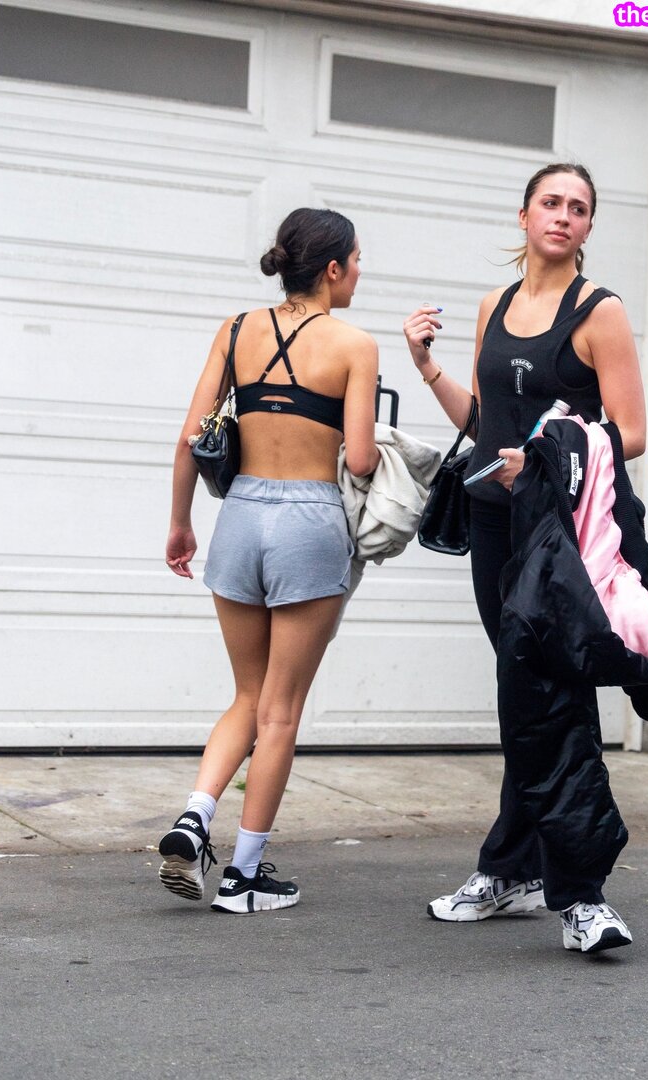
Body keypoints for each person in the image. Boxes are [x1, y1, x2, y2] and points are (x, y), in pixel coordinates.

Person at [402, 163, 646, 953]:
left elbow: (631, 432)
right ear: (524, 215)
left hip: (557, 530)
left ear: (587, 226)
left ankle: (578, 894)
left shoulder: (598, 312)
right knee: (523, 693)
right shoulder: (494, 305)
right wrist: (427, 368)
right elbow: (485, 423)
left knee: (550, 696)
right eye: (551, 202)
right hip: (492, 521)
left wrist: (545, 456)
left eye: (577, 207)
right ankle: (515, 869)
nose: (562, 215)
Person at [160, 207, 380, 915]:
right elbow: (361, 459)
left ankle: (195, 817)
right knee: (280, 714)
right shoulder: (355, 345)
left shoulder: (236, 330)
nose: (359, 272)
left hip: (240, 517)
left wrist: (180, 524)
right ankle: (244, 877)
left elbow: (191, 437)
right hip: (309, 521)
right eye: (356, 261)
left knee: (246, 698)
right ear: (333, 269)